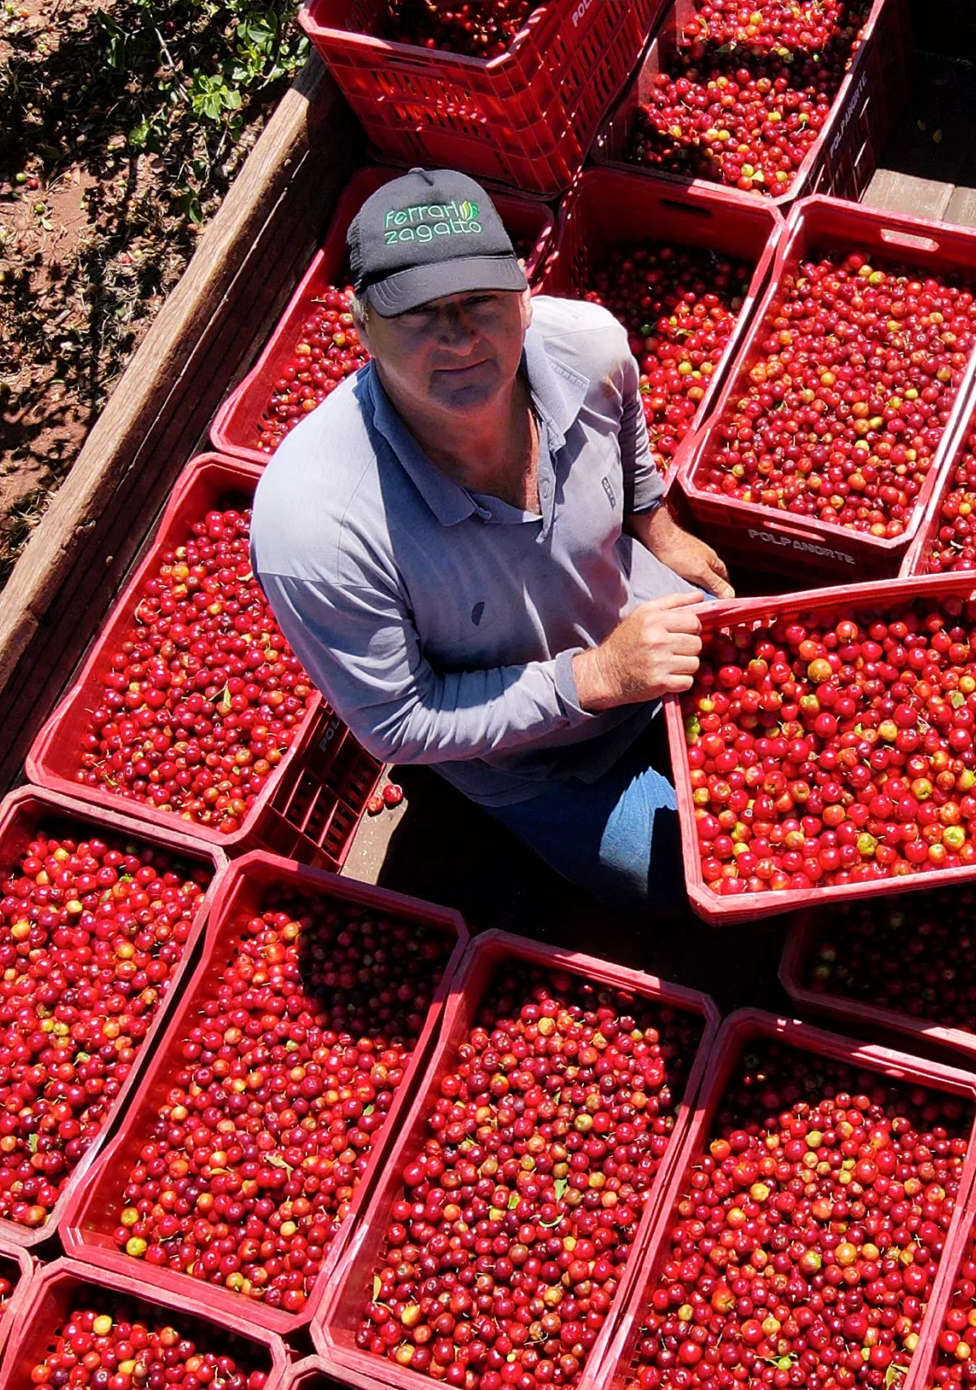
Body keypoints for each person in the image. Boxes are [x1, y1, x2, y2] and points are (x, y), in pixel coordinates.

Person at [250, 167, 734, 915]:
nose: (459, 335)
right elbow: (399, 722)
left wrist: (654, 521)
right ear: (359, 324)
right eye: (418, 313)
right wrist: (594, 677)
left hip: (641, 624)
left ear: (524, 296)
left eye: (480, 300)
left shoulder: (591, 347)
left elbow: (628, 423)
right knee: (688, 885)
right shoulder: (319, 527)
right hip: (535, 761)